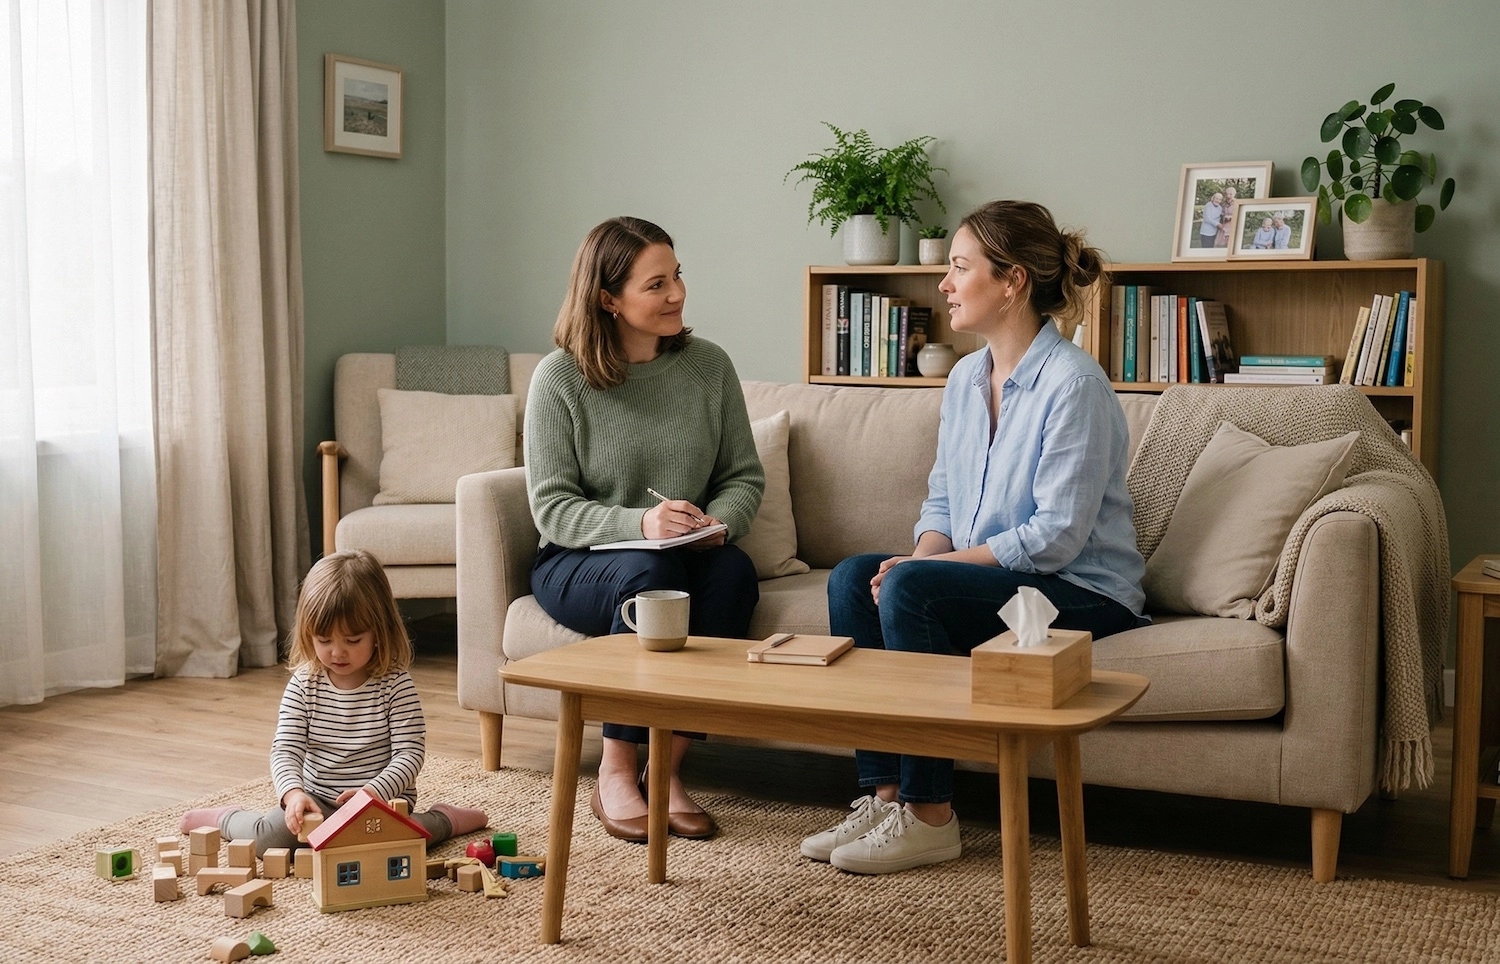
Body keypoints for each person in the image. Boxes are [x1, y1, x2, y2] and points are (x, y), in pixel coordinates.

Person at [800, 200, 1147, 876]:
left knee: (910, 585)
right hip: (1001, 577)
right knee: (852, 578)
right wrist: (916, 562)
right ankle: (885, 796)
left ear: (1012, 281)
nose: (945, 283)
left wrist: (923, 575)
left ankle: (931, 816)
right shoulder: (964, 378)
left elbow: (1055, 538)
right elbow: (943, 499)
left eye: (960, 268)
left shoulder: (1074, 384)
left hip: (1081, 591)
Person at [527, 216, 765, 843]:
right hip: (577, 563)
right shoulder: (559, 378)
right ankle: (615, 770)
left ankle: (666, 769)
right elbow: (552, 508)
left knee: (733, 572)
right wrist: (640, 522)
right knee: (652, 572)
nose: (677, 294)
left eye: (677, 276)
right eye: (656, 284)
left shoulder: (708, 367)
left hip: (682, 554)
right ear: (608, 299)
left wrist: (720, 524)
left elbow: (743, 476)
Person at [179, 550, 489, 854]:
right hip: (319, 802)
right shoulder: (304, 684)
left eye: (352, 641)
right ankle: (225, 819)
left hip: (379, 803)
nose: (337, 652)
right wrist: (294, 794)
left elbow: (410, 754)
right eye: (324, 640)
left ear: (379, 632)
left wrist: (373, 792)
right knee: (267, 839)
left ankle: (445, 819)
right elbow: (285, 749)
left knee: (402, 842)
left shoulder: (395, 684)